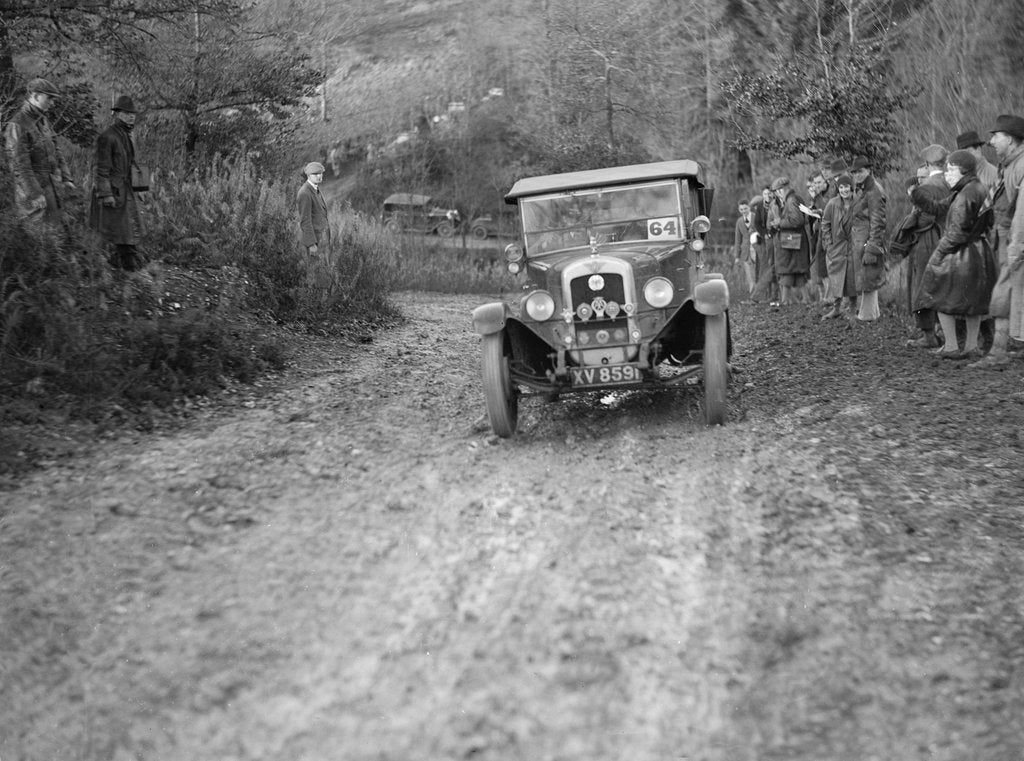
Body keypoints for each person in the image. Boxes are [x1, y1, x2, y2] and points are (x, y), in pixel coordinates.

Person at [911, 149, 997, 358]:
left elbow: (956, 233)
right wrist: (917, 196)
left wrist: (938, 254)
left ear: (964, 171)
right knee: (973, 302)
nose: (947, 174)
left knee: (940, 296)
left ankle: (951, 346)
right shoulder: (975, 188)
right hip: (979, 251)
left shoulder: (965, 195)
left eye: (951, 170)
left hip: (961, 255)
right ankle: (971, 346)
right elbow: (939, 208)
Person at [970, 114, 1024, 369]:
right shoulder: (1009, 165)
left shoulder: (1021, 167)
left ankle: (999, 351)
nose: (991, 142)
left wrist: (1015, 248)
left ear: (1010, 140)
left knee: (1003, 290)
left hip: (1016, 240)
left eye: (996, 136)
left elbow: (1022, 214)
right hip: (1007, 237)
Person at [4, 77, 75, 227]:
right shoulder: (17, 124)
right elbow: (19, 166)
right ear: (36, 96)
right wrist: (35, 194)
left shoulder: (43, 120)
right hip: (31, 195)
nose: (52, 103)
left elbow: (56, 150)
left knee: (55, 232)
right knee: (38, 234)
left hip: (50, 188)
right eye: (49, 98)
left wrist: (66, 177)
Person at [89, 95, 144, 271]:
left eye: (133, 114)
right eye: (127, 113)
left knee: (127, 232)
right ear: (118, 114)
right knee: (116, 233)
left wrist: (142, 187)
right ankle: (101, 267)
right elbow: (100, 168)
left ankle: (122, 265)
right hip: (113, 192)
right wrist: (106, 194)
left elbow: (136, 163)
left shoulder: (129, 136)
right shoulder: (107, 136)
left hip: (126, 190)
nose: (131, 117)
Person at [848, 155, 888, 322]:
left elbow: (878, 222)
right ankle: (870, 314)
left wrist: (872, 248)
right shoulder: (863, 189)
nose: (857, 175)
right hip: (860, 240)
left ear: (869, 170)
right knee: (865, 277)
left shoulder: (874, 191)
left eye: (860, 171)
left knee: (868, 277)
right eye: (854, 172)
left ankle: (867, 316)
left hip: (868, 240)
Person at [820, 174, 857, 319]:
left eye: (846, 186)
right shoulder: (832, 204)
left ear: (851, 187)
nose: (844, 190)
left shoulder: (858, 202)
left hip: (853, 247)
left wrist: (862, 244)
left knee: (852, 278)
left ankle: (853, 308)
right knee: (836, 277)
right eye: (841, 187)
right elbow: (825, 224)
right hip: (837, 247)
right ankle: (836, 308)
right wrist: (829, 243)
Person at [769, 176, 810, 305]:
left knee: (787, 269)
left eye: (777, 191)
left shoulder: (791, 200)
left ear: (781, 190)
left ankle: (785, 300)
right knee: (797, 270)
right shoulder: (793, 198)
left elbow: (797, 221)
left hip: (792, 240)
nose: (777, 194)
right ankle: (804, 299)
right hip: (794, 241)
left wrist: (779, 223)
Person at [749, 186, 779, 304]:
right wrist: (765, 233)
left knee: (772, 266)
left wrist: (771, 233)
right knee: (769, 265)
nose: (767, 196)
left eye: (769, 193)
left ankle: (769, 295)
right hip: (766, 239)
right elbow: (757, 222)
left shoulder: (776, 205)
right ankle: (768, 295)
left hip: (776, 236)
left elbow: (777, 221)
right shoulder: (761, 206)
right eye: (765, 194)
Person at [296, 161, 330, 256]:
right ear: (308, 176)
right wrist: (311, 244)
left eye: (320, 173)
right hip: (315, 242)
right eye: (315, 174)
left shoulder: (315, 188)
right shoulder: (305, 193)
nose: (319, 176)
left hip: (322, 239)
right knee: (314, 265)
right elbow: (305, 221)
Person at [955, 130, 999, 194]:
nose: (966, 156)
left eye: (969, 152)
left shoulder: (993, 175)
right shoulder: (960, 175)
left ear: (978, 149)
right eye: (963, 153)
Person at [733, 199, 756, 296]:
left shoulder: (756, 217)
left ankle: (761, 295)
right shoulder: (739, 221)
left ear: (749, 207)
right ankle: (753, 296)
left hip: (757, 249)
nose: (744, 211)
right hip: (745, 252)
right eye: (741, 209)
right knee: (749, 276)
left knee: (758, 273)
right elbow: (737, 239)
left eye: (745, 208)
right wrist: (737, 256)